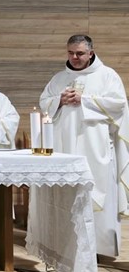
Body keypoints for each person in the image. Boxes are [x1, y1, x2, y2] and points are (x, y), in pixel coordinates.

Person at [40, 34, 129, 257]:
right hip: (65, 147)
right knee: (66, 197)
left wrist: (84, 100)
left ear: (91, 53)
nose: (75, 57)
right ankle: (68, 249)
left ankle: (98, 250)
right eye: (71, 53)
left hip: (95, 148)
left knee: (97, 192)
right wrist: (59, 101)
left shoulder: (107, 75)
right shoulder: (59, 78)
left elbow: (119, 105)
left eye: (80, 53)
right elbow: (44, 102)